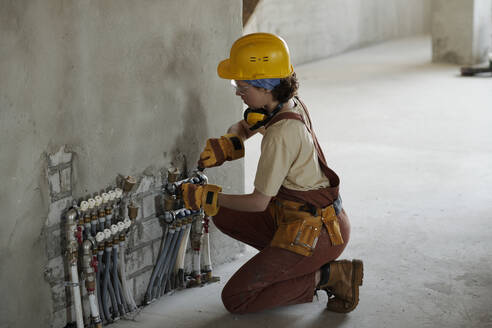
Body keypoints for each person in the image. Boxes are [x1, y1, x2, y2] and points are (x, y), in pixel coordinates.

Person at [181, 32, 363, 314]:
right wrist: (231, 142)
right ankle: (290, 263)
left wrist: (209, 196)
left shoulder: (281, 134)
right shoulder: (285, 105)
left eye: (242, 86)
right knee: (226, 214)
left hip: (318, 233)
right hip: (304, 217)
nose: (237, 92)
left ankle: (328, 275)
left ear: (265, 87)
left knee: (237, 298)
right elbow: (246, 125)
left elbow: (258, 203)